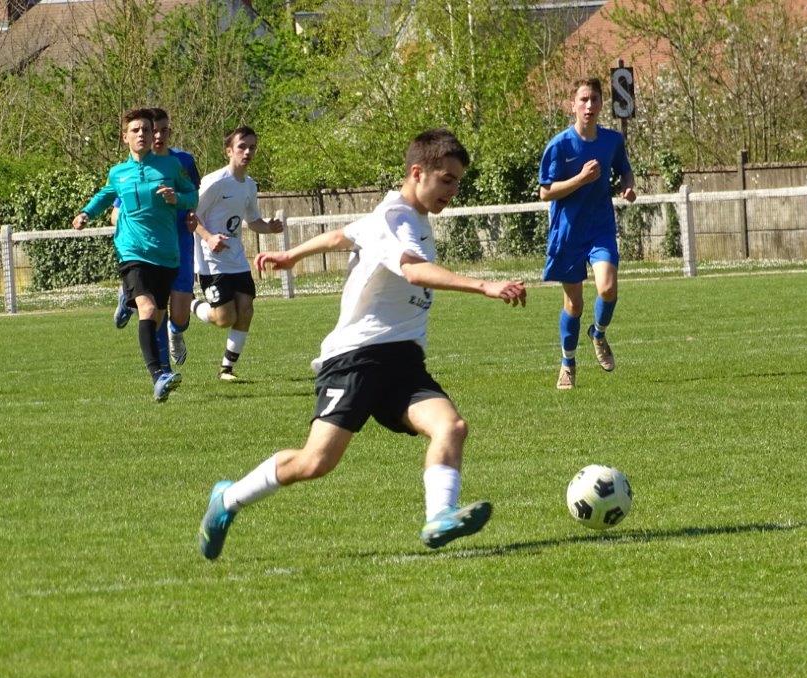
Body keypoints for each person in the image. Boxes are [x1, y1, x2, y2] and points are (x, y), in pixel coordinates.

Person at [197, 128, 527, 560]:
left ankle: (439, 518)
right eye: (446, 180)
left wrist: (291, 256)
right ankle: (227, 499)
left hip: (404, 359)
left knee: (451, 427)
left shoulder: (398, 216)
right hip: (357, 357)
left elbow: (342, 236)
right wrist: (485, 285)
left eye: (457, 182)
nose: (452, 190)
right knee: (316, 462)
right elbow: (413, 270)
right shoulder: (396, 220)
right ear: (417, 173)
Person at [74, 107, 198, 402]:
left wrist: (177, 198)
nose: (142, 134)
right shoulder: (118, 173)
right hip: (131, 251)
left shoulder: (170, 166)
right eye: (136, 130)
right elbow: (105, 194)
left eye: (146, 129)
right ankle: (158, 375)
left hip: (166, 253)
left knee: (157, 315)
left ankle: (161, 374)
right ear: (125, 137)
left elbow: (192, 195)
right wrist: (86, 213)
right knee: (147, 308)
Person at [539, 77, 636, 390]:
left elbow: (624, 169)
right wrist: (580, 179)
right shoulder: (559, 145)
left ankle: (599, 333)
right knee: (574, 305)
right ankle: (567, 363)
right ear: (573, 105)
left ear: (601, 104)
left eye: (594, 99)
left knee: (607, 288)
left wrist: (628, 186)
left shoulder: (611, 141)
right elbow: (545, 192)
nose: (589, 105)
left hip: (600, 228)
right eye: (583, 100)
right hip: (568, 233)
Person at [112, 108, 201, 374]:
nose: (158, 136)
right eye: (155, 131)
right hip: (148, 248)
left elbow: (193, 196)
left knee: (180, 313)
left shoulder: (182, 162)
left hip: (180, 242)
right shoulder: (133, 169)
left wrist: (192, 215)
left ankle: (177, 331)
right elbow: (116, 208)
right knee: (153, 309)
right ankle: (162, 371)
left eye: (163, 130)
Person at [190, 126, 283, 381]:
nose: (248, 152)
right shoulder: (215, 182)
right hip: (211, 262)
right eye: (242, 146)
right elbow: (191, 215)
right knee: (224, 318)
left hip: (237, 260)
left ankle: (227, 369)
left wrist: (269, 227)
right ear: (229, 151)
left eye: (252, 147)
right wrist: (209, 238)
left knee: (246, 310)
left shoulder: (250, 186)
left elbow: (253, 221)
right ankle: (190, 304)